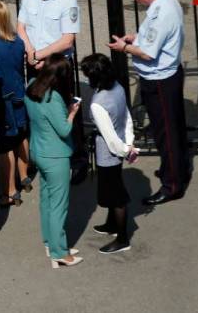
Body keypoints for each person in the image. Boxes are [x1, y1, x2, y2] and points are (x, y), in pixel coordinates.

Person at [109, 0, 189, 206]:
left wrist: (124, 48)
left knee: (167, 133)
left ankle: (172, 184)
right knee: (171, 128)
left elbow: (147, 53)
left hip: (159, 80)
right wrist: (136, 37)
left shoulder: (160, 13)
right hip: (167, 75)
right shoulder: (167, 1)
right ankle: (173, 169)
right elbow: (154, 37)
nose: (137, 1)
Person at [16, 0, 87, 184]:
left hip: (56, 65)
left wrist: (40, 55)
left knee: (65, 110)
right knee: (37, 110)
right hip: (33, 60)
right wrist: (30, 52)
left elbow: (68, 38)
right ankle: (42, 155)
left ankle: (77, 160)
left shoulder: (66, 0)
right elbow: (21, 27)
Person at [23, 54, 83, 268]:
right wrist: (72, 113)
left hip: (38, 151)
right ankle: (59, 252)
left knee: (47, 200)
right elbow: (64, 129)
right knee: (59, 205)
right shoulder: (54, 98)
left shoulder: (31, 86)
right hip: (55, 156)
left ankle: (51, 242)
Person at [80, 53, 137, 254]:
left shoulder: (97, 103)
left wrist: (123, 149)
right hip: (121, 145)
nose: (86, 78)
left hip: (108, 154)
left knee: (116, 196)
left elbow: (109, 137)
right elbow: (126, 117)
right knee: (113, 191)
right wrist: (128, 144)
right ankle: (112, 225)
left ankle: (122, 239)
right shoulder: (119, 87)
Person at [0, 0, 31, 207]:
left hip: (4, 102)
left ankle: (10, 191)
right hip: (20, 95)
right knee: (21, 137)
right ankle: (25, 176)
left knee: (5, 147)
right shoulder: (18, 41)